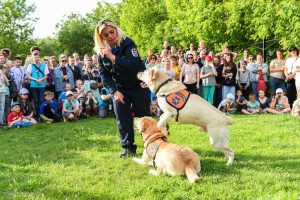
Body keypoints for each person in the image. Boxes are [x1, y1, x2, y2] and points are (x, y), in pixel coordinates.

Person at [95, 19, 150, 157]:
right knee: (122, 117)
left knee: (143, 117)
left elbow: (135, 65)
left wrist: (113, 57)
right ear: (102, 37)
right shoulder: (101, 52)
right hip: (120, 88)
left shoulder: (127, 43)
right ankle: (128, 148)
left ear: (116, 29)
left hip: (138, 85)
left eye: (112, 32)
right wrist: (114, 91)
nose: (110, 36)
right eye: (106, 35)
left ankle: (151, 145)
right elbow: (104, 74)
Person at [26, 48, 49, 117]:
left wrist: (41, 79)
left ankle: (42, 114)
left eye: (38, 57)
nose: (37, 58)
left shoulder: (44, 65)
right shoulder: (30, 65)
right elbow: (28, 76)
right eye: (35, 57)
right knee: (35, 100)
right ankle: (37, 115)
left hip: (42, 85)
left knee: (42, 100)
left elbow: (46, 75)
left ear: (39, 58)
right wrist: (36, 79)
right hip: (34, 85)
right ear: (33, 58)